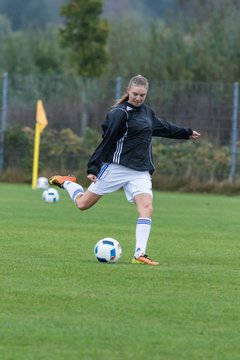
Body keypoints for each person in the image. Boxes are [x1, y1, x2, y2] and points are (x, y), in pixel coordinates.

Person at [49, 75, 201, 266]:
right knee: (83, 204)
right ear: (128, 91)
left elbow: (164, 127)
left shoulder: (147, 113)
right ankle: (68, 183)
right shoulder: (120, 113)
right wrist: (94, 166)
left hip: (141, 171)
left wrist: (185, 132)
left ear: (146, 95)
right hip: (117, 167)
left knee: (147, 208)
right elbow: (108, 139)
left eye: (142, 95)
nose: (138, 98)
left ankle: (139, 254)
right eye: (135, 94)